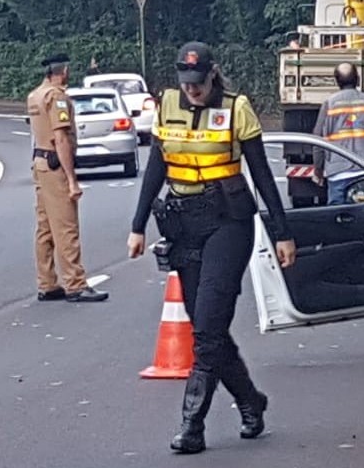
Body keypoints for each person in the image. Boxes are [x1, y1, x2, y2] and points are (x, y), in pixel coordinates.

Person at [127, 41, 297, 454]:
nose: (193, 91)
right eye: (186, 84)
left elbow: (261, 175)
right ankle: (250, 401)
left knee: (205, 328)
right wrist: (137, 226)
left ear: (212, 75)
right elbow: (156, 169)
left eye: (199, 83)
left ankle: (192, 426)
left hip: (228, 223)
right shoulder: (167, 104)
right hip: (184, 224)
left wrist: (282, 232)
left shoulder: (237, 109)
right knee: (210, 328)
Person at [26, 54, 109, 303]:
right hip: (55, 165)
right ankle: (75, 283)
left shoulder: (34, 96)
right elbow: (61, 137)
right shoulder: (57, 97)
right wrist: (72, 179)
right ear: (63, 72)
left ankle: (47, 283)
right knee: (66, 226)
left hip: (39, 164)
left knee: (45, 228)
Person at [311, 62, 364, 204]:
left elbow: (318, 142)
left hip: (337, 174)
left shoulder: (329, 105)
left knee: (337, 220)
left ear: (336, 81)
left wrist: (318, 170)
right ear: (358, 79)